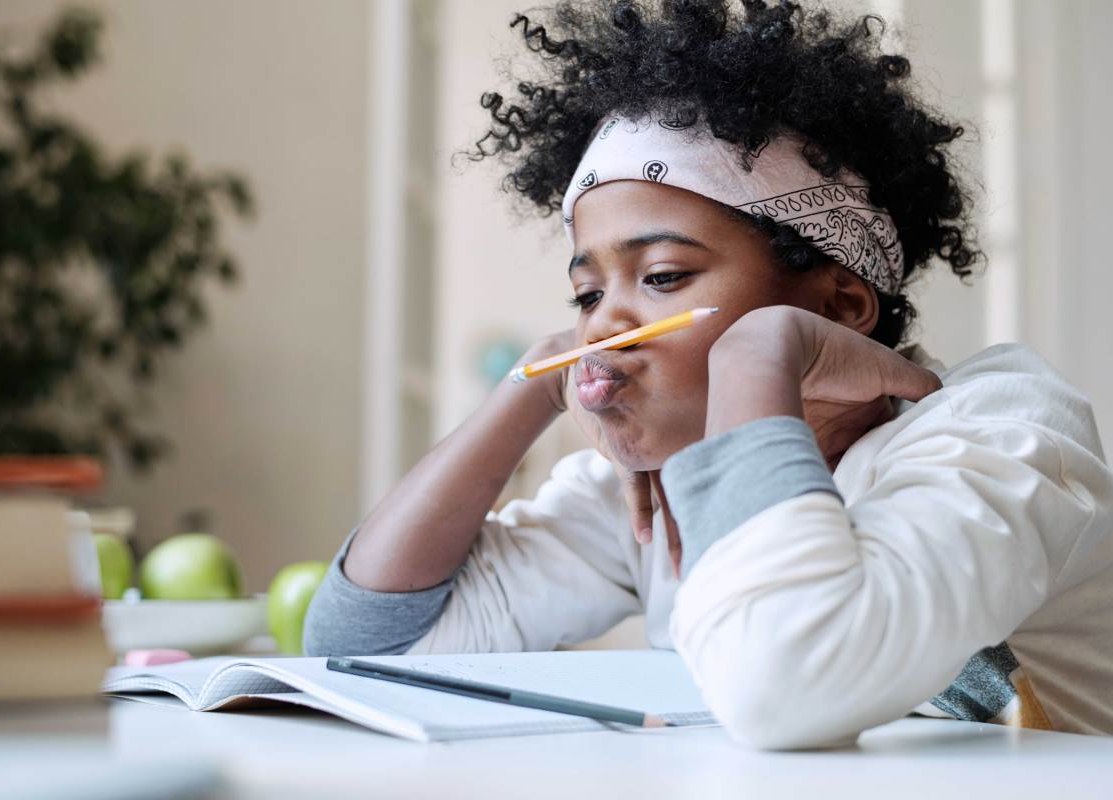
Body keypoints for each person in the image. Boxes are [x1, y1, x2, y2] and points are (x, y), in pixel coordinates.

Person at [304, 0, 1113, 748]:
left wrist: (757, 358)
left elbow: (784, 687)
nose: (605, 325)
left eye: (661, 277)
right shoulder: (658, 493)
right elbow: (366, 644)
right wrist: (536, 380)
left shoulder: (1001, 432)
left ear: (839, 305)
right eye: (587, 294)